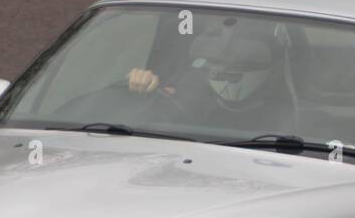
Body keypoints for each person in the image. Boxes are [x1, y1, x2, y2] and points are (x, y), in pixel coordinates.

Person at [124, 17, 298, 135]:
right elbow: (140, 124)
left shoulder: (299, 115)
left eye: (242, 64)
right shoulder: (184, 93)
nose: (226, 69)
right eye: (215, 63)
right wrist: (141, 83)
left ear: (275, 68)